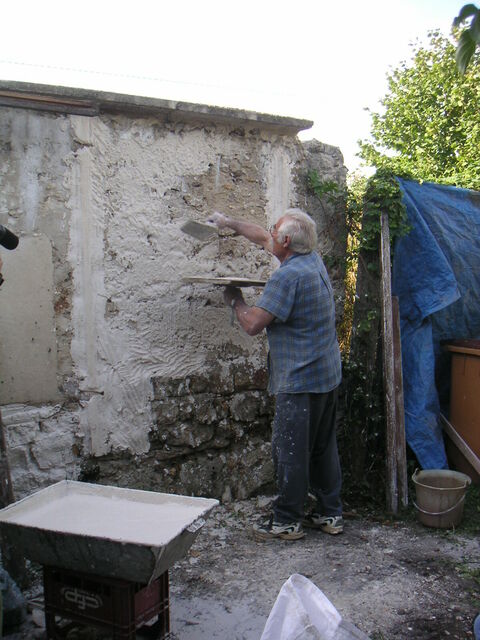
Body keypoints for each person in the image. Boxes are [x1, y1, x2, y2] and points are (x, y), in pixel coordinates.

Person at [207, 208, 343, 541]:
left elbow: (253, 323)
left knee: (290, 451)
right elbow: (262, 237)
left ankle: (286, 521)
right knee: (323, 448)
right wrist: (228, 223)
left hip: (300, 379)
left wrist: (235, 300)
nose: (269, 233)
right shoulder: (311, 259)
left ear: (286, 241)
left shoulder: (288, 276)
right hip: (326, 374)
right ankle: (329, 513)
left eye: (275, 229)